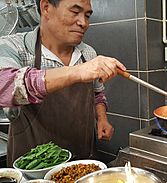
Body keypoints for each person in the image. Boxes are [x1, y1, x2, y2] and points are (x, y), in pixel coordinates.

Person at [0, 0, 126, 167]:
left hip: (82, 161)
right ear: (46, 8)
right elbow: (4, 86)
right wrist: (77, 72)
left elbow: (97, 94)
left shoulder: (87, 53)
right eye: (75, 12)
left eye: (87, 15)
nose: (84, 23)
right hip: (33, 169)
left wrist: (102, 118)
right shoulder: (16, 47)